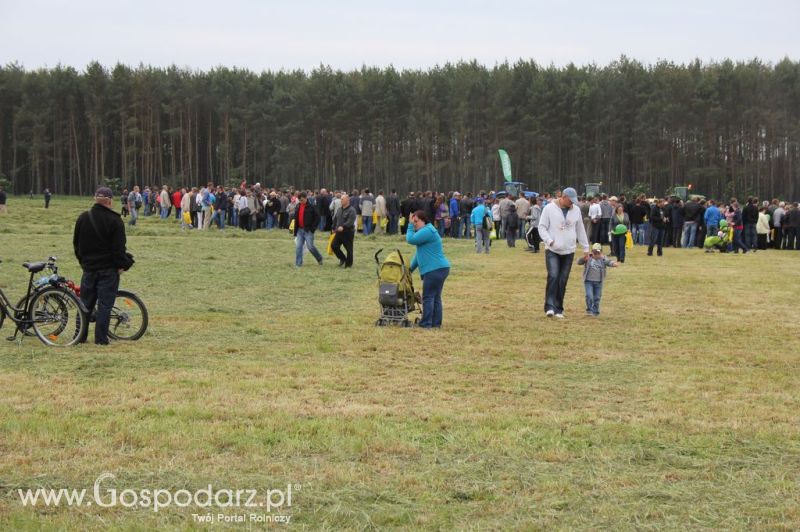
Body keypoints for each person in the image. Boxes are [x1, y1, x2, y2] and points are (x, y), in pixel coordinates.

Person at [73, 187, 135, 345]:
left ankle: (80, 336)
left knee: (84, 304)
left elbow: (76, 245)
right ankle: (101, 339)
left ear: (95, 199)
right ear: (109, 201)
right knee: (105, 305)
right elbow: (118, 251)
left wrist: (84, 263)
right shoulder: (115, 221)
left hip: (88, 269)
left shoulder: (83, 217)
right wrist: (126, 263)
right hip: (108, 270)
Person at [537, 187, 590, 319]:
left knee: (563, 280)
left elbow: (580, 229)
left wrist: (586, 247)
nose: (572, 203)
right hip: (553, 249)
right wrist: (549, 241)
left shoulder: (576, 210)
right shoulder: (549, 208)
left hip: (569, 250)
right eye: (570, 200)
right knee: (553, 276)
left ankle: (559, 308)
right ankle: (549, 307)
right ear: (563, 197)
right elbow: (542, 227)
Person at [406, 210, 450, 328]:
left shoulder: (427, 230)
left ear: (423, 220)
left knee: (428, 297)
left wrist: (409, 225)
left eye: (416, 221)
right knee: (435, 297)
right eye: (413, 221)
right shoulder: (426, 231)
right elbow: (419, 254)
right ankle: (436, 324)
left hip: (434, 269)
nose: (414, 223)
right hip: (440, 268)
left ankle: (426, 323)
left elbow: (411, 239)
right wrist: (408, 269)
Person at [577, 242, 619, 317]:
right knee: (589, 296)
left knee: (597, 297)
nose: (596, 255)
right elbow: (579, 262)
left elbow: (608, 262)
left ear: (601, 253)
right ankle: (589, 310)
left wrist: (613, 264)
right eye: (595, 253)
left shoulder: (603, 258)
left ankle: (595, 311)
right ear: (592, 252)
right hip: (588, 281)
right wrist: (584, 258)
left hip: (598, 282)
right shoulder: (588, 257)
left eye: (598, 253)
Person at [292, 192, 324, 267]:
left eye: (302, 200)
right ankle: (298, 264)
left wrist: (312, 229)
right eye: (299, 200)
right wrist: (294, 230)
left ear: (306, 198)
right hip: (299, 230)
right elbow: (296, 218)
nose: (301, 201)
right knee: (298, 247)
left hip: (308, 231)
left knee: (310, 247)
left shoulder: (312, 207)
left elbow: (317, 218)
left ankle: (319, 258)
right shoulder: (298, 206)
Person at [331, 194, 356, 268]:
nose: (341, 200)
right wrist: (333, 227)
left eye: (342, 199)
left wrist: (343, 226)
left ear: (347, 200)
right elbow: (335, 219)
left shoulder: (352, 210)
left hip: (348, 232)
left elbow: (350, 221)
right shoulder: (339, 209)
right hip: (339, 233)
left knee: (349, 249)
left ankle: (348, 265)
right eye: (341, 199)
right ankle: (343, 259)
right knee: (334, 246)